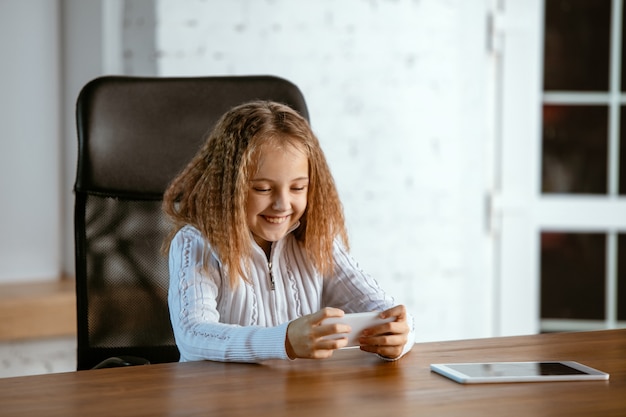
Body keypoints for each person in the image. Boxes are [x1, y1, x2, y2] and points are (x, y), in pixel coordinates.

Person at [163, 100, 415, 363]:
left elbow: (387, 311)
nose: (282, 204)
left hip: (298, 397)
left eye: (297, 188)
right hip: (220, 397)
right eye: (262, 189)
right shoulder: (195, 244)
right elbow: (192, 336)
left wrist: (401, 336)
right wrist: (284, 341)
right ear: (227, 186)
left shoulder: (317, 241)